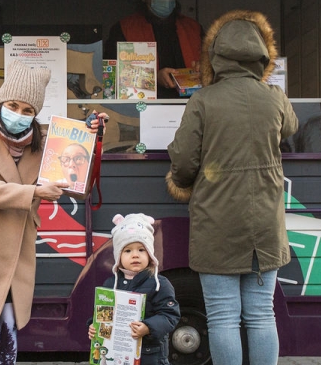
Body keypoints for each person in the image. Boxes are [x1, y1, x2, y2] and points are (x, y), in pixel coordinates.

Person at [0, 59, 107, 364]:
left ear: (36, 114)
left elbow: (78, 188)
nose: (19, 114)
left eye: (28, 110)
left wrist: (91, 139)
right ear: (0, 102)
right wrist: (34, 192)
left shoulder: (47, 144)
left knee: (7, 327)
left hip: (12, 252)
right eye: (13, 105)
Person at [166, 10, 299, 365]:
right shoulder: (274, 97)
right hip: (265, 226)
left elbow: (183, 160)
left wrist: (179, 183)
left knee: (223, 317)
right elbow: (291, 129)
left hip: (217, 222)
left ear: (216, 57)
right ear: (262, 55)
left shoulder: (203, 101)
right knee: (261, 315)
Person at [86, 213, 180, 365]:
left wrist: (148, 327)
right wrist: (93, 326)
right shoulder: (110, 284)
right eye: (128, 251)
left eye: (141, 250)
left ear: (150, 253)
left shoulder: (160, 284)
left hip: (150, 357)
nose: (135, 255)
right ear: (118, 256)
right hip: (118, 356)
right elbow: (102, 315)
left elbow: (170, 316)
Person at [104, 0, 204, 99]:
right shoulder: (124, 28)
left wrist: (204, 67)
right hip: (144, 108)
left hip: (192, 105)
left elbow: (214, 67)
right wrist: (154, 78)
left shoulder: (194, 28)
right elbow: (111, 75)